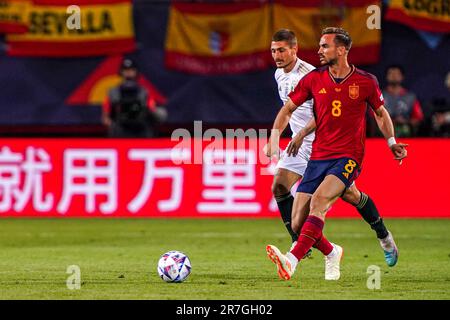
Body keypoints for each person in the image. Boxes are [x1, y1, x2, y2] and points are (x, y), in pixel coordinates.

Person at [265, 27, 408, 281]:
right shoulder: (315, 79)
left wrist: (391, 142)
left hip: (348, 154)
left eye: (324, 46)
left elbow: (380, 112)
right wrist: (278, 137)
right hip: (319, 154)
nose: (319, 50)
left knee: (319, 202)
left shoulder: (365, 81)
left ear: (342, 50)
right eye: (319, 46)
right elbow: (288, 109)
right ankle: (345, 247)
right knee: (302, 220)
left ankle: (292, 260)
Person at [102, 58, 167, 138]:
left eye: (131, 70)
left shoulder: (144, 92)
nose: (128, 72)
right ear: (121, 72)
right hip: (120, 131)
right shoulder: (113, 93)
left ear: (136, 72)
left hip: (141, 130)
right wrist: (114, 126)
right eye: (125, 70)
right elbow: (105, 117)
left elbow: (152, 110)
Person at [382, 65, 424, 137]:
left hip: (405, 133)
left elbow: (418, 118)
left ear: (402, 77)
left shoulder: (410, 97)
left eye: (397, 74)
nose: (394, 76)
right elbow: (372, 117)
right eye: (391, 73)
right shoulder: (379, 95)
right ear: (386, 76)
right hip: (383, 133)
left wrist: (406, 122)